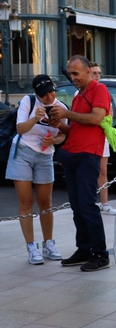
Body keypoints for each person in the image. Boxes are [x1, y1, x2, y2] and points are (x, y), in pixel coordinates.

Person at [48, 55, 111, 272]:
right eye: (70, 73)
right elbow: (75, 128)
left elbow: (96, 118)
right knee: (77, 207)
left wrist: (66, 114)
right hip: (73, 153)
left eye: (76, 73)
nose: (73, 77)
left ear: (87, 72)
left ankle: (100, 254)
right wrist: (59, 124)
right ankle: (84, 249)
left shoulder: (98, 89)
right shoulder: (78, 95)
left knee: (86, 205)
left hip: (88, 154)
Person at [6, 75, 67, 264]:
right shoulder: (28, 101)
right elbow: (21, 128)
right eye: (44, 94)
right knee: (26, 201)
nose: (49, 97)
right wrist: (35, 118)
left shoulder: (62, 108)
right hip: (23, 153)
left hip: (45, 155)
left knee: (45, 202)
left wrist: (54, 141)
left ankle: (49, 243)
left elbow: (63, 135)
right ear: (36, 94)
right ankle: (31, 247)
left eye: (51, 92)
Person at [89, 62, 115, 215]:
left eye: (99, 73)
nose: (97, 76)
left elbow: (110, 114)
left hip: (102, 135)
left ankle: (105, 204)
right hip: (88, 137)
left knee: (103, 170)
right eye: (94, 73)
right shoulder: (80, 93)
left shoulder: (103, 91)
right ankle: (91, 202)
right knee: (89, 169)